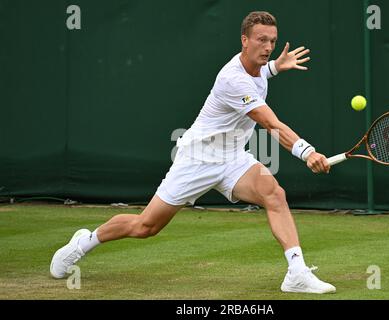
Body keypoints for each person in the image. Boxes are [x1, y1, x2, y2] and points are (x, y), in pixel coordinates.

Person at [50, 11, 336, 294]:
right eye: (261, 40)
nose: (268, 47)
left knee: (274, 193)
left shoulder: (259, 69)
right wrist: (306, 151)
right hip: (197, 159)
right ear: (244, 40)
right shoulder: (232, 80)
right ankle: (85, 242)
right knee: (145, 226)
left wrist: (274, 67)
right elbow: (269, 123)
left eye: (272, 41)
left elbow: (261, 74)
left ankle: (296, 272)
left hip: (233, 157)